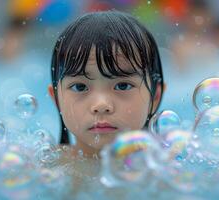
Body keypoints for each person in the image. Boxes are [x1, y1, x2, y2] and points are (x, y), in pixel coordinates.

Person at [48, 10, 165, 159]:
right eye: (80, 87)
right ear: (57, 99)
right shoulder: (47, 168)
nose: (101, 105)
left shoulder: (166, 169)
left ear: (154, 97)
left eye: (123, 85)